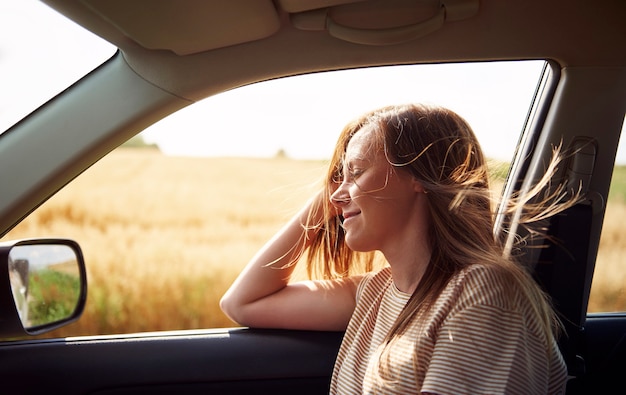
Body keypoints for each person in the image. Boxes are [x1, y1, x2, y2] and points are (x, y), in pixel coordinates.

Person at [220, 103, 576, 394]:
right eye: (337, 179)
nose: (336, 195)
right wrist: (335, 195)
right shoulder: (376, 292)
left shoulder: (483, 292)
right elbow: (242, 303)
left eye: (356, 172)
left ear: (420, 177)